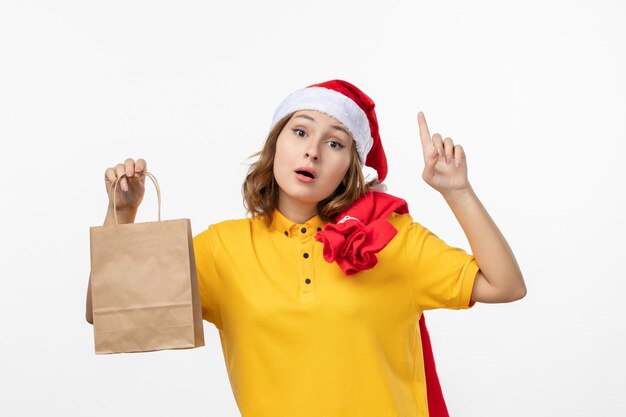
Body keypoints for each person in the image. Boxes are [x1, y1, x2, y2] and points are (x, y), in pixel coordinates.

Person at [86, 79, 526, 417]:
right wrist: (122, 216)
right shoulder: (224, 249)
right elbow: (109, 310)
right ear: (275, 143)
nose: (312, 151)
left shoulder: (391, 238)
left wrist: (458, 192)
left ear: (351, 168)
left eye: (334, 142)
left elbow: (504, 285)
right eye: (300, 132)